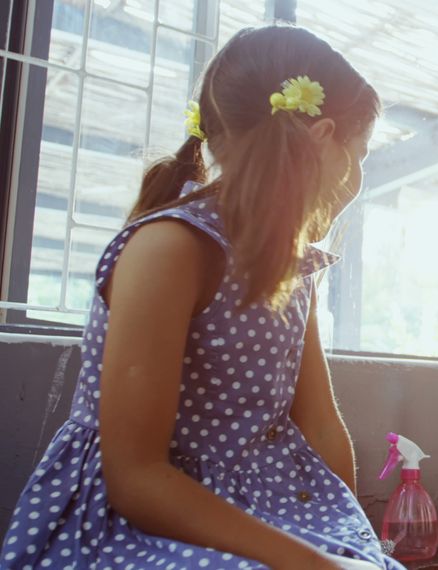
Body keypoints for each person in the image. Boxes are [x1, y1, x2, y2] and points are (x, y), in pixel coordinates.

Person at [0, 25, 401, 570]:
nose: (356, 179)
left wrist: (358, 546)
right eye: (360, 154)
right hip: (136, 525)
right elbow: (136, 480)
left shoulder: (289, 263)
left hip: (272, 515)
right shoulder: (169, 248)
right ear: (323, 136)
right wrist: (317, 565)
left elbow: (320, 424)